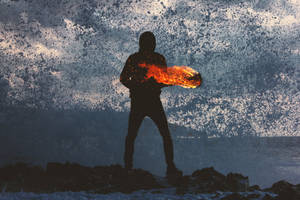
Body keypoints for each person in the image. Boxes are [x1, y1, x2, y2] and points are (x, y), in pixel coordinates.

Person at [120, 31, 182, 179]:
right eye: (149, 42)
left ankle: (170, 167)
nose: (151, 45)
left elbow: (164, 80)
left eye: (151, 42)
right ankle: (129, 167)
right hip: (141, 101)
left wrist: (171, 81)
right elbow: (123, 78)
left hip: (152, 101)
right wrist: (136, 86)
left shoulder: (156, 58)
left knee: (162, 135)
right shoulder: (135, 59)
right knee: (134, 135)